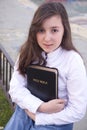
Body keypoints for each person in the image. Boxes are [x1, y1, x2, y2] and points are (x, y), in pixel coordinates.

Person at [4, 1, 87, 130]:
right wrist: (41, 107)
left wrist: (41, 118)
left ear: (64, 30)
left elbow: (77, 110)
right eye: (41, 30)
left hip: (58, 121)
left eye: (54, 30)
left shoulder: (73, 60)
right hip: (26, 112)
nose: (47, 38)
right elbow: (15, 89)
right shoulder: (27, 53)